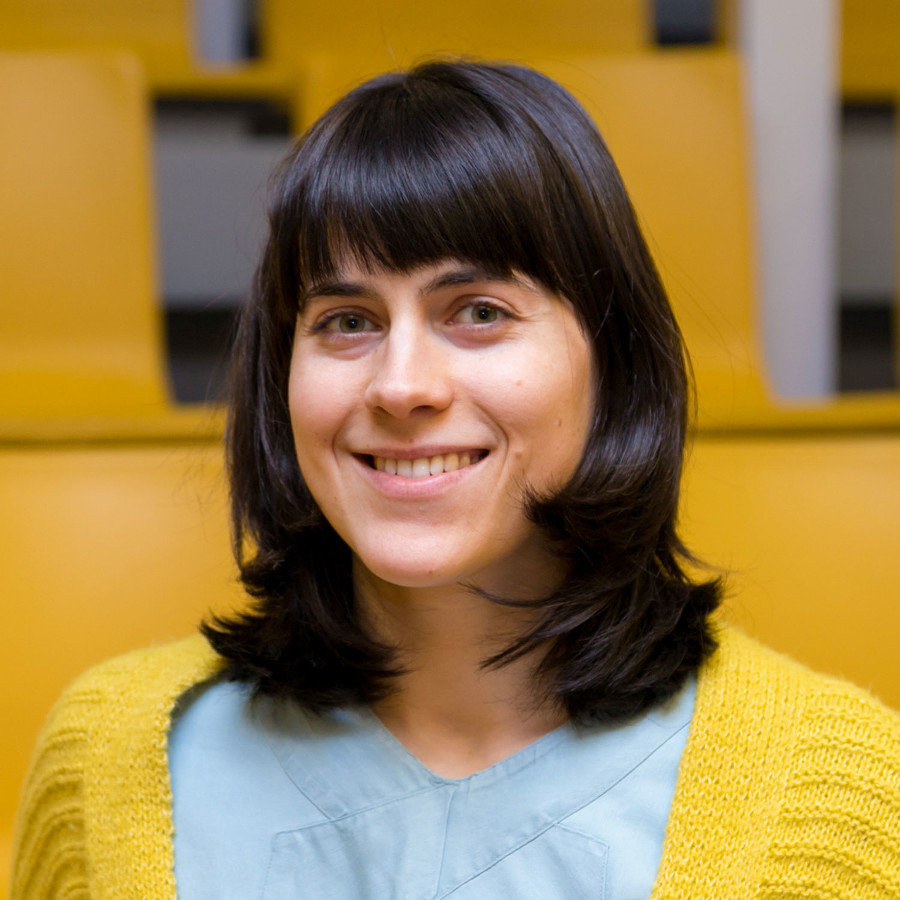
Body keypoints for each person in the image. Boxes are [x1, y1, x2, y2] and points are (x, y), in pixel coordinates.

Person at [12, 59, 900, 899]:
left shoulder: (836, 792)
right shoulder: (109, 759)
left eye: (478, 312)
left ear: (614, 363)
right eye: (347, 320)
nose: (401, 386)